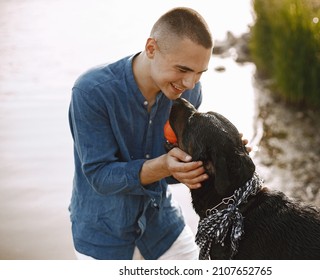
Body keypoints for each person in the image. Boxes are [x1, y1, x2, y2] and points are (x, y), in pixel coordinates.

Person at [68, 7, 213, 260]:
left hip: (163, 227)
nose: (190, 83)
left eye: (199, 73)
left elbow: (172, 174)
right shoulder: (91, 92)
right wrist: (165, 165)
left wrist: (217, 157)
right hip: (102, 237)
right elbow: (100, 177)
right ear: (151, 48)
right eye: (183, 69)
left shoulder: (189, 93)